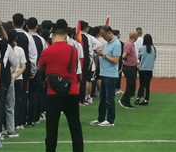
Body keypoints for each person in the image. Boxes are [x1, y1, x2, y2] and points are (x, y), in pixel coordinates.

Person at [37, 22, 83, 151]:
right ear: (65, 36)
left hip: (53, 92)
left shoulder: (47, 51)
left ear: (53, 37)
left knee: (52, 126)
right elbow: (74, 67)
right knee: (75, 125)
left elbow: (40, 66)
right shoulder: (73, 50)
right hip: (71, 90)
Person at [92, 26, 120, 127]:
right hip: (104, 74)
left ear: (109, 33)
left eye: (104, 36)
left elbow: (115, 60)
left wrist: (103, 55)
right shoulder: (109, 43)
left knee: (109, 98)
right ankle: (101, 118)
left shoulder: (116, 44)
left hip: (111, 75)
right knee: (103, 98)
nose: (103, 38)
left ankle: (110, 120)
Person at [135, 34, 155, 106]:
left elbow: (139, 58)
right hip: (149, 69)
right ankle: (146, 100)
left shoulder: (141, 48)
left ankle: (138, 97)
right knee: (147, 85)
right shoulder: (153, 49)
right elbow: (154, 58)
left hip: (142, 69)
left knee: (141, 84)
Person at [119, 31, 138, 109]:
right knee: (131, 85)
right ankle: (124, 100)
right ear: (135, 37)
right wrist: (128, 60)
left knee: (131, 85)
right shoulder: (129, 45)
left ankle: (127, 101)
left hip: (132, 67)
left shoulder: (130, 44)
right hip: (129, 67)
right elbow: (124, 55)